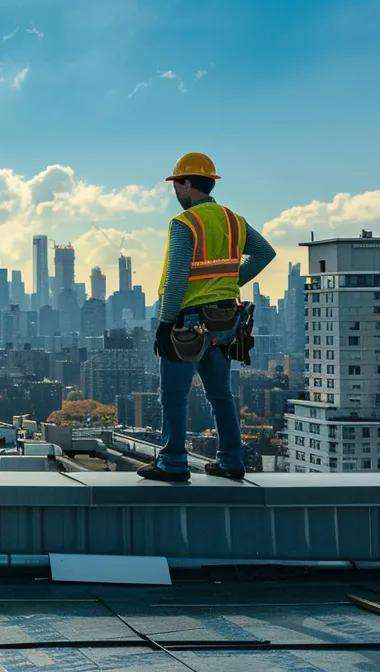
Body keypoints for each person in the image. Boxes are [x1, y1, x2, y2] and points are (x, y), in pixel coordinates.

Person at [139, 152, 276, 483]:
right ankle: (231, 460)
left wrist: (163, 323)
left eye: (176, 185)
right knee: (220, 395)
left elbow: (175, 279)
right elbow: (265, 252)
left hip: (187, 322)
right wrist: (229, 283)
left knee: (173, 395)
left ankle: (173, 462)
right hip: (225, 321)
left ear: (187, 184)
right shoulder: (233, 220)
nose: (175, 192)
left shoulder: (185, 224)